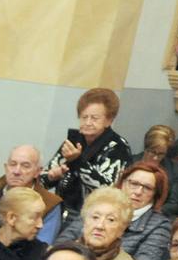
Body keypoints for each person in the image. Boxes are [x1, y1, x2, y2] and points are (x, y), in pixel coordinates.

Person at [73, 161, 175, 260]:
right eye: (133, 183)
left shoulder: (159, 226)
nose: (138, 191)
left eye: (147, 188)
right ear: (123, 183)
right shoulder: (99, 204)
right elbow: (63, 242)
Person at [41, 87, 132, 220]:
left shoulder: (118, 147)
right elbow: (42, 181)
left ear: (109, 120)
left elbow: (106, 190)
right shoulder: (74, 141)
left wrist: (78, 161)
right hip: (58, 209)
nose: (88, 123)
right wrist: (52, 176)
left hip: (92, 216)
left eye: (94, 118)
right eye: (84, 117)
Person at [0, 144, 63, 244]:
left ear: (37, 172)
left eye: (25, 166)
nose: (17, 171)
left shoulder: (50, 204)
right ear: (6, 167)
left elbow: (43, 245)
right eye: (13, 164)